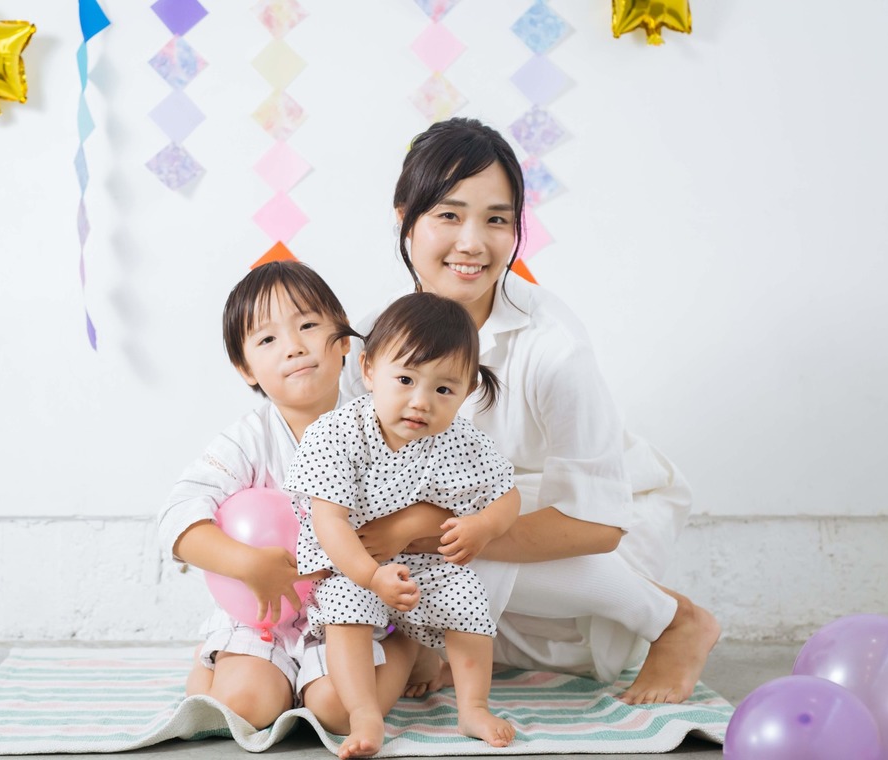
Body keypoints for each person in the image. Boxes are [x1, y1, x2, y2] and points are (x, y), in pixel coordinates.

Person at [342, 117, 720, 705]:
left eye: (496, 219)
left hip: (587, 543)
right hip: (460, 544)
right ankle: (436, 638)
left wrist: (419, 525)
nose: (473, 243)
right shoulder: (370, 340)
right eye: (449, 214)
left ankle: (674, 620)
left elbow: (598, 522)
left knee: (449, 531)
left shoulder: (552, 347)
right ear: (403, 217)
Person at [157, 261, 419, 729]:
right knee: (243, 707)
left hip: (349, 609)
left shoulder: (379, 427)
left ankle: (404, 648)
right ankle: (222, 660)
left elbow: (433, 498)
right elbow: (177, 517)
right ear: (245, 368)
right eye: (267, 339)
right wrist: (246, 564)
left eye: (308, 325)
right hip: (265, 612)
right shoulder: (247, 440)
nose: (294, 346)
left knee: (338, 712)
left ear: (343, 341)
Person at [285, 292, 520, 758]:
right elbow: (328, 520)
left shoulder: (463, 441)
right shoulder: (337, 433)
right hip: (355, 561)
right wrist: (371, 576)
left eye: (443, 389)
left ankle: (472, 705)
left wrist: (485, 526)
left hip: (425, 563)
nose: (421, 402)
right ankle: (364, 712)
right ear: (370, 370)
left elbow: (507, 495)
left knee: (468, 601)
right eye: (406, 379)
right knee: (346, 611)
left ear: (467, 391)